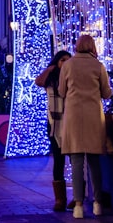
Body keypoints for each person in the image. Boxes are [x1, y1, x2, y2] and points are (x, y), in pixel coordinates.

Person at [58, 35, 112, 219]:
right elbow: (106, 93)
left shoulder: (68, 65)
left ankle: (78, 205)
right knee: (94, 162)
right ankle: (97, 203)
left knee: (76, 161)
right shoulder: (98, 66)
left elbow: (61, 91)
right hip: (93, 117)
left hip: (73, 116)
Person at [35, 49, 72, 211]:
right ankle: (60, 199)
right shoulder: (51, 79)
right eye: (62, 59)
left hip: (72, 121)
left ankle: (78, 197)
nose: (65, 62)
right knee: (58, 160)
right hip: (55, 123)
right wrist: (50, 68)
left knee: (77, 160)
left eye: (68, 60)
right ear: (57, 62)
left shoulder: (73, 77)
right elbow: (38, 81)